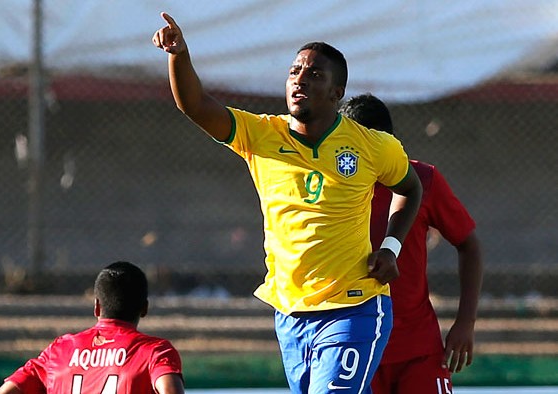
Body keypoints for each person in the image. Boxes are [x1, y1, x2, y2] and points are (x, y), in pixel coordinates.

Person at [153, 13, 422, 394]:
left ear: (336, 92)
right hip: (291, 312)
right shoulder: (261, 135)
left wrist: (391, 247)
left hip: (354, 306)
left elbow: (410, 188)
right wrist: (178, 55)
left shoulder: (373, 145)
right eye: (295, 71)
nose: (300, 80)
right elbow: (195, 105)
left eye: (314, 75)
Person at [339, 94, 483, 394]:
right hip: (354, 346)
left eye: (377, 145)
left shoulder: (421, 179)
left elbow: (469, 244)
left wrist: (465, 322)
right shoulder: (330, 186)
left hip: (418, 349)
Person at [0, 261, 185, 394]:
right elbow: (169, 389)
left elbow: (7, 392)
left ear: (97, 306)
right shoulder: (155, 352)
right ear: (144, 308)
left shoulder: (59, 350)